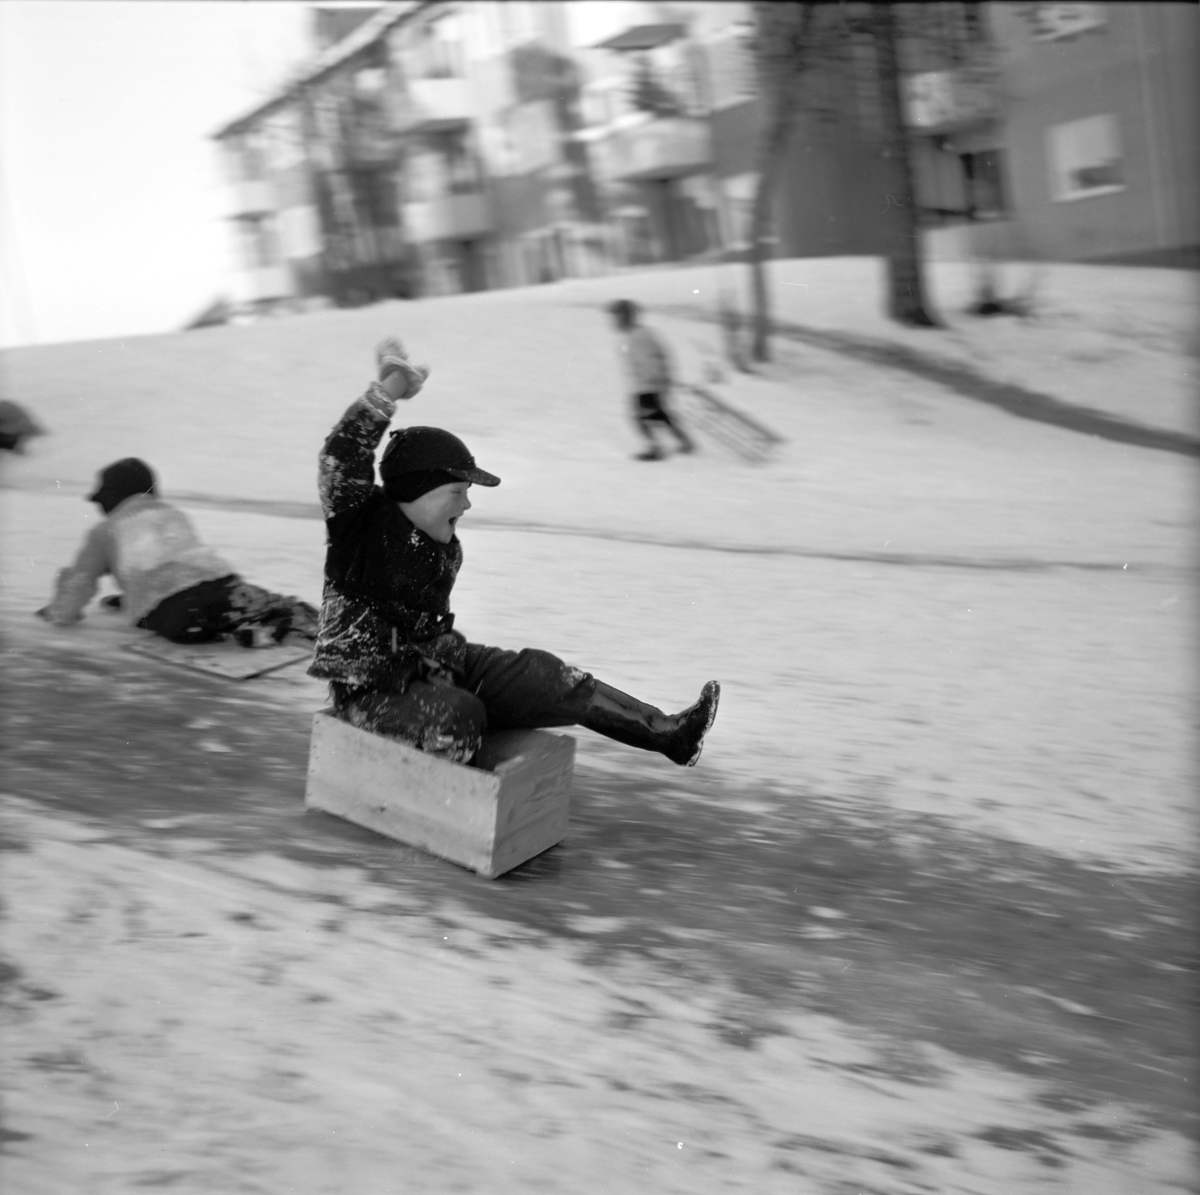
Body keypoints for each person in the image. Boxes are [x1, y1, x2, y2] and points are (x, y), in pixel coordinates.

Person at [310, 337, 719, 768]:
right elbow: (340, 455)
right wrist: (389, 389)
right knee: (458, 714)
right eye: (457, 491)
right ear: (420, 489)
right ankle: (442, 795)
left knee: (543, 676)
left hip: (432, 663)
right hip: (369, 690)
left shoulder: (441, 544)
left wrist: (443, 671)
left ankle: (668, 734)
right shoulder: (359, 523)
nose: (467, 504)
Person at [37, 457, 318, 645]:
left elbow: (80, 581)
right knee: (275, 605)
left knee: (194, 618)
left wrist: (60, 612)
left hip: (172, 617)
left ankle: (240, 630)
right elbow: (176, 566)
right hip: (220, 589)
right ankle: (267, 626)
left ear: (113, 497)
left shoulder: (104, 532)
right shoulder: (173, 514)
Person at [607, 299, 695, 461]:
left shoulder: (638, 336)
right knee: (659, 415)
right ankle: (684, 441)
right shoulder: (637, 334)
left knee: (641, 417)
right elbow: (660, 355)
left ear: (626, 317)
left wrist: (655, 379)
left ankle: (655, 448)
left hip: (647, 384)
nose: (614, 321)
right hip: (647, 384)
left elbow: (651, 359)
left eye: (617, 317)